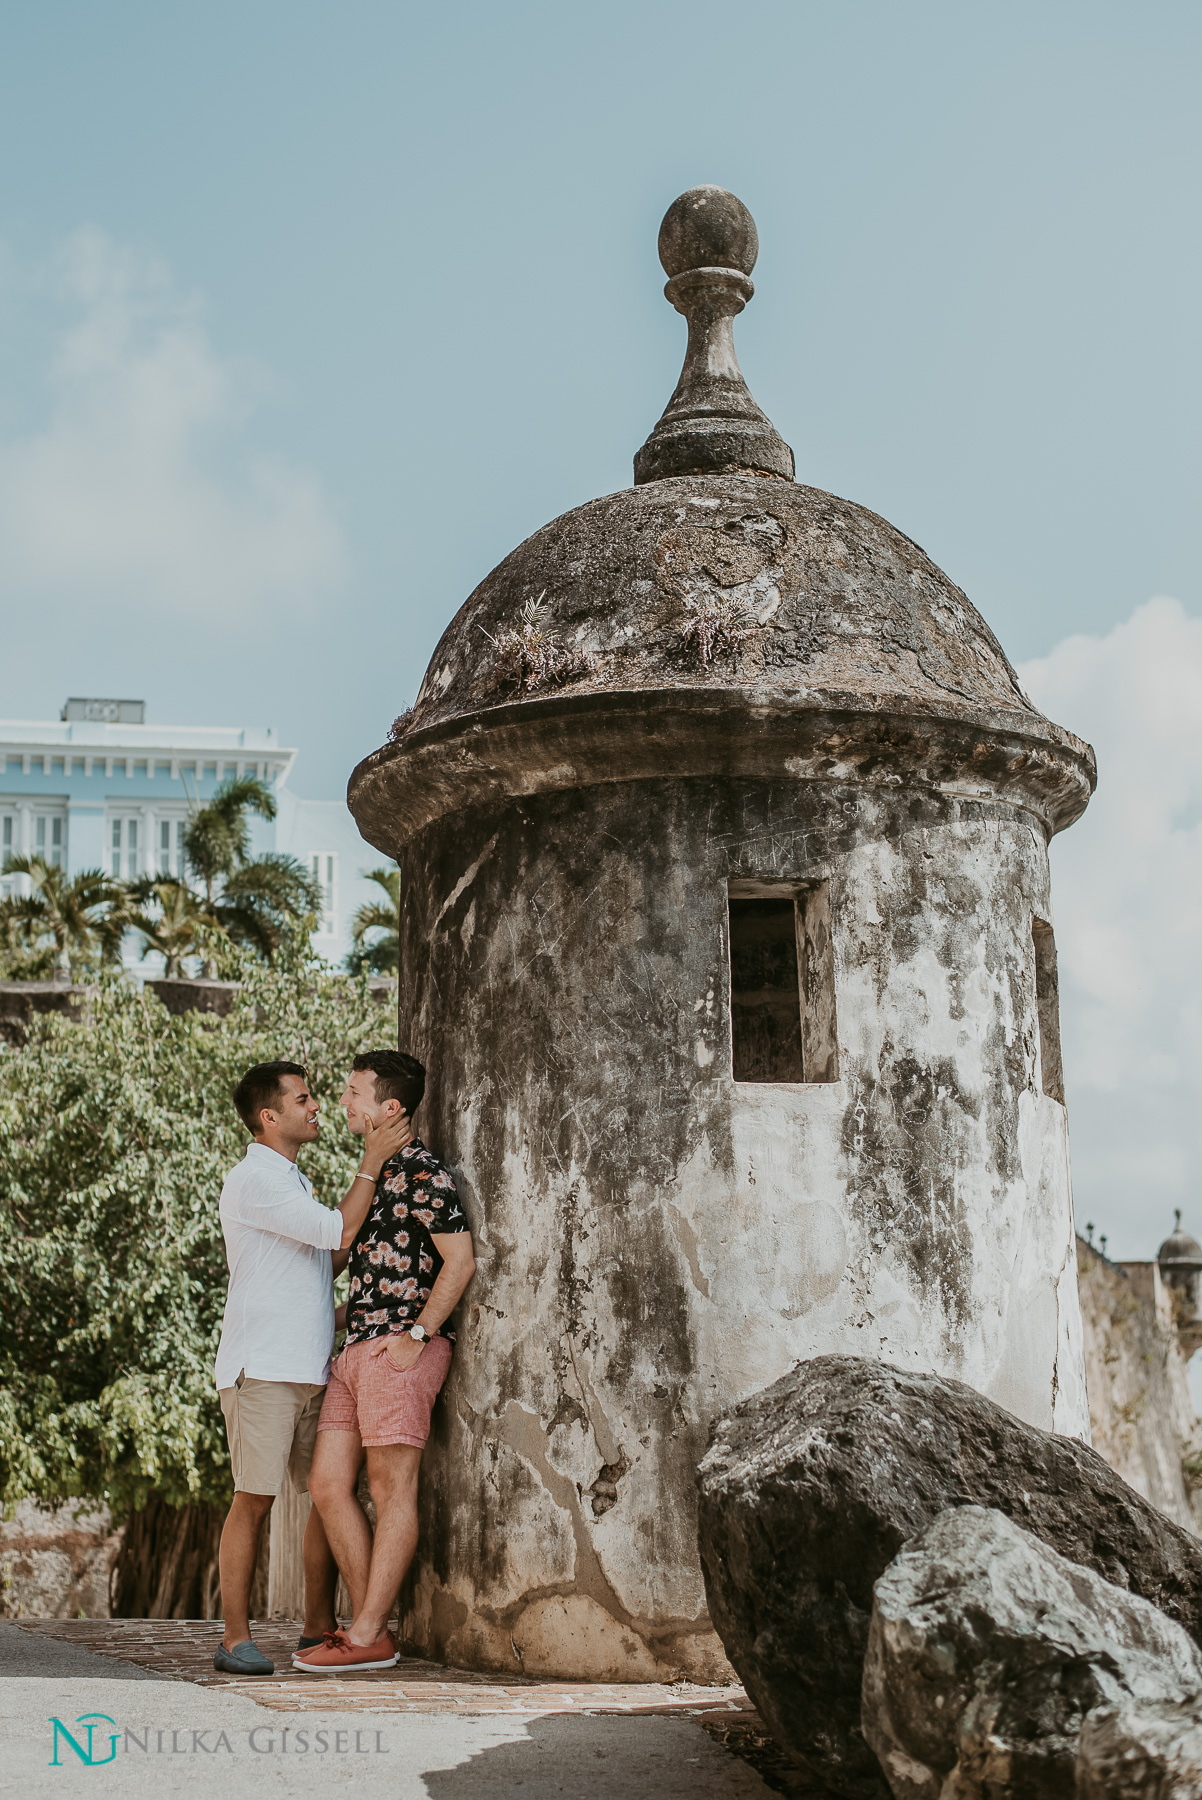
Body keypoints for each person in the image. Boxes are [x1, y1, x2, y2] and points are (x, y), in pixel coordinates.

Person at [212, 1058, 412, 1676]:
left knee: (328, 1495)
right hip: (263, 1369)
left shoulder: (293, 1180)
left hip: (312, 1369)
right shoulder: (255, 1179)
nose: (316, 1106)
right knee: (254, 1500)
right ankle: (235, 1638)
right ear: (269, 1117)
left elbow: (329, 1259)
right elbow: (338, 1229)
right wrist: (373, 1160)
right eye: (302, 1099)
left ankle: (318, 1626)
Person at [296, 1050, 476, 1672]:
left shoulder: (424, 1172)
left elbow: (461, 1262)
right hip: (355, 1352)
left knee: (390, 1489)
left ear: (388, 1108)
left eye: (353, 1093)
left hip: (399, 1350)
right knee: (326, 1486)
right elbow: (359, 1264)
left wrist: (418, 1337)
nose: (342, 1102)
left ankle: (368, 1631)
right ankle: (372, 1626)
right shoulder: (375, 1174)